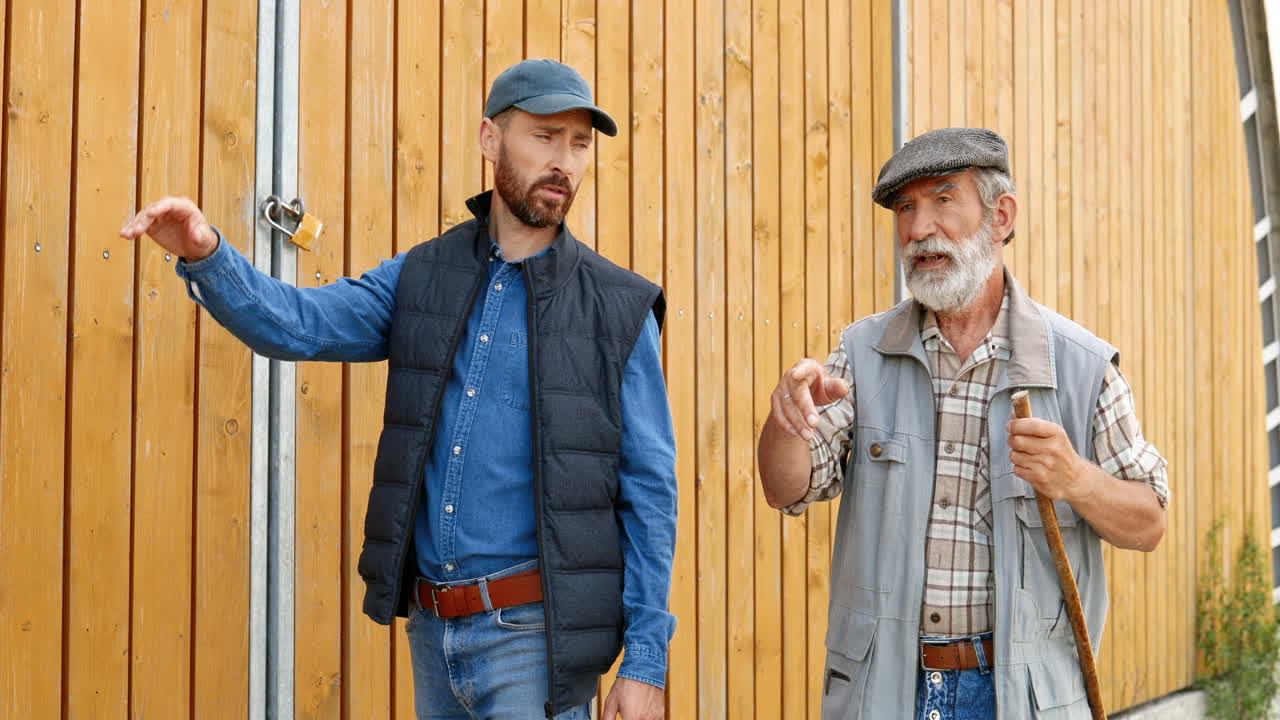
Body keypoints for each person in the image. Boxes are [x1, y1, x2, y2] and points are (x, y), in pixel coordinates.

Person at [120, 59, 676, 720]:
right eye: (545, 137)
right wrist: (206, 251)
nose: (565, 161)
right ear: (490, 139)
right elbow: (302, 325)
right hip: (433, 635)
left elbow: (650, 491)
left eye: (580, 144)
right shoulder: (422, 275)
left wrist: (645, 662)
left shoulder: (618, 308)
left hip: (534, 644)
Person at [756, 127, 1168, 720]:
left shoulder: (1080, 367)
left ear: (1001, 216)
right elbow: (786, 488)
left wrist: (1075, 478)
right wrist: (786, 422)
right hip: (885, 691)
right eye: (905, 208)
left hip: (1017, 699)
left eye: (942, 201)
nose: (919, 228)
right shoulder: (862, 352)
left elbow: (1149, 522)